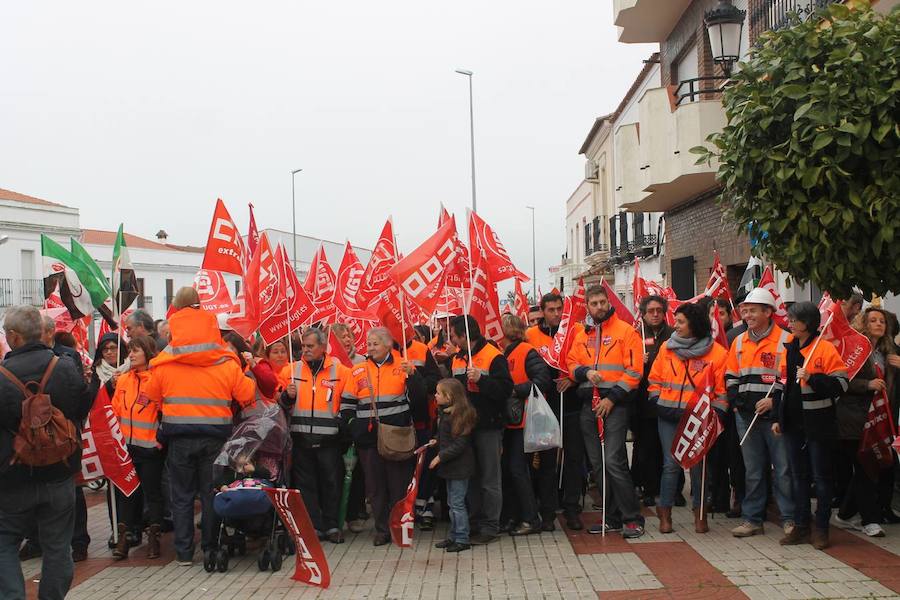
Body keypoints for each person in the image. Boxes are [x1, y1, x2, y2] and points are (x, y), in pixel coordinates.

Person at [144, 287, 256, 566]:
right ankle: (209, 546)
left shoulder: (165, 362)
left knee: (180, 497)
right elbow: (246, 394)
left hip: (179, 439)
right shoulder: (225, 361)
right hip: (215, 439)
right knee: (210, 494)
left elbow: (150, 395)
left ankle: (183, 553)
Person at [0, 305, 91, 600]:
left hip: (12, 477)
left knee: (4, 544)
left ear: (14, 336)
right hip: (59, 472)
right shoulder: (65, 366)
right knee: (58, 546)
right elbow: (80, 412)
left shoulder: (1, 376)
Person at [567, 285, 645, 538]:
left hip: (616, 405)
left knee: (614, 461)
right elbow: (571, 363)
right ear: (587, 306)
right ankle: (610, 517)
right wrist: (585, 372)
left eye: (603, 302)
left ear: (608, 302)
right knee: (598, 464)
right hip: (588, 405)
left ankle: (632, 518)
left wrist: (611, 400)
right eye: (594, 303)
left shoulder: (626, 331)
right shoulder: (582, 334)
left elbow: (634, 373)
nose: (599, 307)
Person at [340, 327, 426, 546]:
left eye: (375, 343)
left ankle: (398, 527)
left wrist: (414, 377)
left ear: (388, 344)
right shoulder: (357, 370)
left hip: (397, 436)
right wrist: (353, 426)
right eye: (368, 343)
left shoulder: (403, 366)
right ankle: (381, 529)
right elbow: (347, 404)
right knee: (375, 486)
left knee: (398, 484)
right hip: (368, 439)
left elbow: (418, 399)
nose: (370, 347)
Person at [648, 302, 728, 534]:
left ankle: (700, 515)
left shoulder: (718, 353)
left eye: (681, 322)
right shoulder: (666, 348)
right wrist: (656, 401)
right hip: (668, 416)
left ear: (695, 324)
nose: (676, 325)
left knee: (698, 466)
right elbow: (654, 380)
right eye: (676, 320)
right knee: (670, 465)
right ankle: (665, 515)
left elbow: (721, 392)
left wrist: (716, 415)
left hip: (698, 420)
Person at [774, 302, 848, 549]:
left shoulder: (825, 349)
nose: (790, 323)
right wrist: (778, 418)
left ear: (808, 322)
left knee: (822, 477)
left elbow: (841, 385)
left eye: (795, 320)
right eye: (790, 319)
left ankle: (822, 529)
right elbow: (782, 386)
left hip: (819, 425)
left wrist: (813, 378)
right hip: (794, 424)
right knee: (798, 477)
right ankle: (801, 526)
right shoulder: (789, 349)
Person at [725, 287, 795, 538]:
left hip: (775, 417)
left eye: (753, 310)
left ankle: (790, 519)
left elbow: (790, 381)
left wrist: (774, 404)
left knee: (784, 469)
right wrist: (736, 401)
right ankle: (753, 519)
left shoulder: (786, 340)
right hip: (745, 416)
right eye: (745, 311)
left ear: (768, 312)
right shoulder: (739, 341)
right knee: (752, 470)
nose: (747, 315)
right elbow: (731, 375)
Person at [281, 328, 350, 543]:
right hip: (301, 439)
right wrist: (286, 396)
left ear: (322, 347)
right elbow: (279, 404)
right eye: (303, 346)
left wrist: (341, 426)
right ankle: (314, 526)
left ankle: (331, 526)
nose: (305, 350)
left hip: (330, 440)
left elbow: (348, 404)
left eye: (310, 346)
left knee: (331, 483)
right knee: (305, 485)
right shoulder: (290, 371)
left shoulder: (340, 372)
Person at [834, 307, 898, 537]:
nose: (879, 324)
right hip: (854, 419)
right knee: (864, 468)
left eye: (882, 320)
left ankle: (844, 515)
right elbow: (841, 381)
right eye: (873, 320)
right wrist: (866, 385)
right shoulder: (853, 349)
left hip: (879, 419)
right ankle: (869, 520)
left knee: (870, 469)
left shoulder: (888, 351)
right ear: (864, 323)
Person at [449, 315, 513, 544]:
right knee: (471, 478)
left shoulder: (494, 356)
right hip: (465, 428)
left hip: (488, 426)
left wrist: (482, 381)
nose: (452, 340)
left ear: (465, 335)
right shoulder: (457, 358)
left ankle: (490, 525)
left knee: (489, 479)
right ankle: (473, 522)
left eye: (455, 336)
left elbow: (506, 389)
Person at [526, 291, 586, 530]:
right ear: (542, 311)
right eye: (551, 310)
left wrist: (573, 378)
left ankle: (572, 508)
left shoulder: (575, 330)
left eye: (559, 309)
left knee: (573, 458)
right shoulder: (531, 335)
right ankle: (548, 513)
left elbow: (584, 360)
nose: (556, 314)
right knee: (547, 461)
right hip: (543, 407)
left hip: (570, 403)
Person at [110, 335, 165, 560]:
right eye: (130, 351)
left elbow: (165, 411)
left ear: (148, 353)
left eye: (136, 350)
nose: (130, 355)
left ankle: (154, 537)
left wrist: (161, 438)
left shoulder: (157, 379)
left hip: (151, 449)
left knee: (152, 494)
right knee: (127, 492)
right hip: (127, 448)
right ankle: (124, 537)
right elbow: (115, 411)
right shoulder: (123, 380)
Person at [500, 314, 553, 536]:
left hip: (523, 421)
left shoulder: (525, 351)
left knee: (517, 470)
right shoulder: (507, 352)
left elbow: (543, 380)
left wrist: (515, 390)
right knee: (511, 471)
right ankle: (516, 516)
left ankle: (531, 518)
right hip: (512, 422)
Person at [631, 295, 674, 509]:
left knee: (669, 447)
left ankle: (674, 490)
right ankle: (648, 489)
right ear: (643, 314)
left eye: (659, 310)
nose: (655, 314)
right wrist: (638, 361)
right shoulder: (635, 336)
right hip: (644, 402)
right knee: (646, 447)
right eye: (651, 311)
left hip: (670, 399)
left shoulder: (674, 335)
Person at [328, 323, 368, 533]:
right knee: (335, 471)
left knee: (357, 471)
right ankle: (337, 515)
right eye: (341, 337)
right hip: (332, 423)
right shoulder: (328, 363)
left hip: (355, 421)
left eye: (349, 335)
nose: (347, 340)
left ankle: (355, 513)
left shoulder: (362, 361)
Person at [431, 378, 477, 553]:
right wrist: (436, 441)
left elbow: (459, 444)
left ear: (449, 396)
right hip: (451, 467)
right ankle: (454, 535)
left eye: (438, 393)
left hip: (459, 467)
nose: (435, 396)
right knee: (452, 503)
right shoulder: (445, 413)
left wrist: (440, 457)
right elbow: (447, 437)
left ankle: (462, 538)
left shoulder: (461, 416)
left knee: (457, 504)